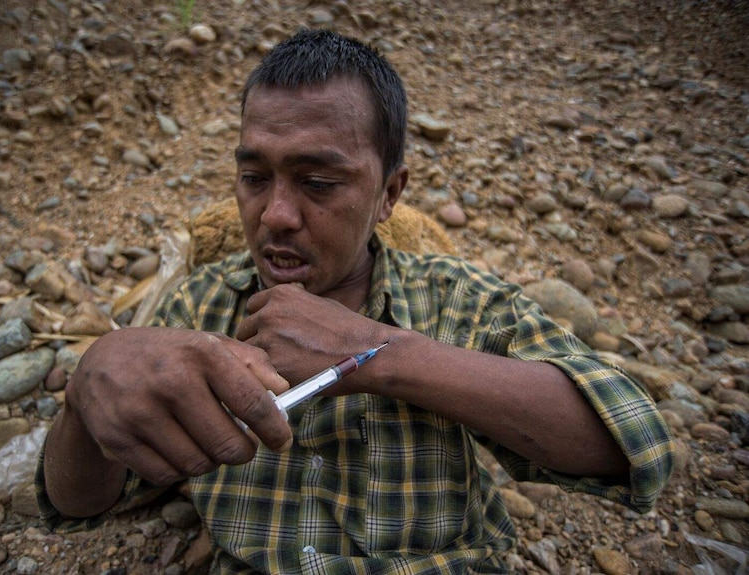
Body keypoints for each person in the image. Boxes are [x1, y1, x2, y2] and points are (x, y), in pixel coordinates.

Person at [38, 29, 675, 573]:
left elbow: (635, 446)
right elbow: (78, 504)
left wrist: (376, 355)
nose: (276, 215)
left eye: (318, 182)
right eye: (254, 178)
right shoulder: (197, 311)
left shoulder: (456, 301)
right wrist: (86, 393)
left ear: (390, 193)